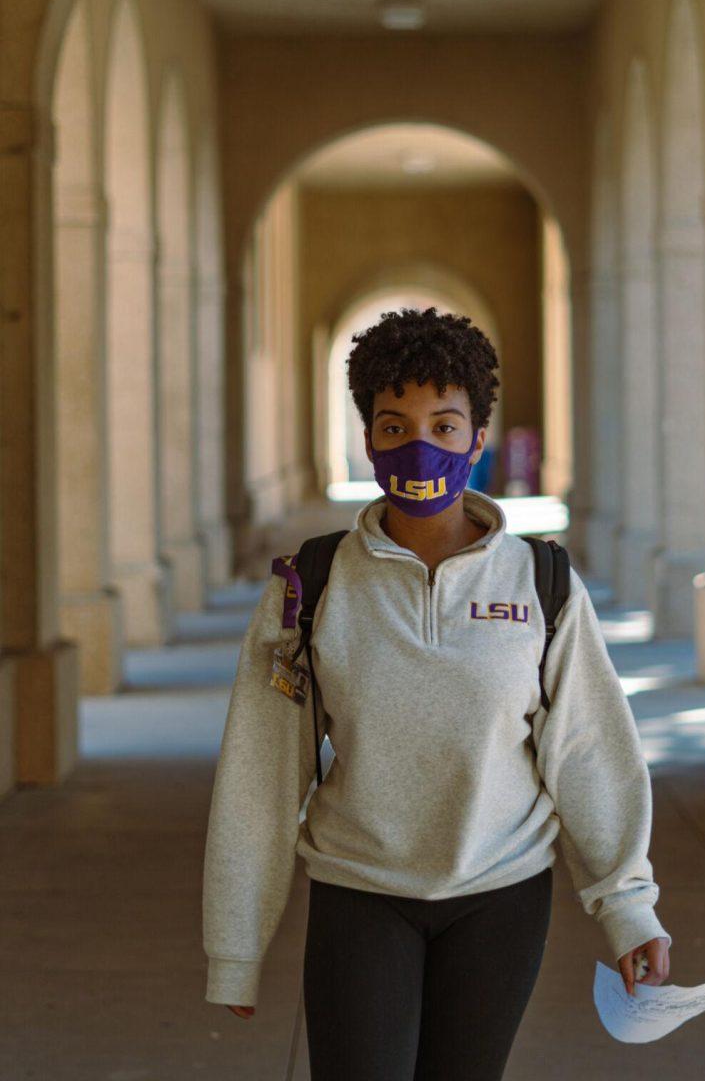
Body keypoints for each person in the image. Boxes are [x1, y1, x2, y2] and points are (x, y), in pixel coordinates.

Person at [202, 306, 672, 1080]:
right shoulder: (312, 585)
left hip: (501, 898)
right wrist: (236, 944)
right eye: (394, 426)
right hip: (362, 893)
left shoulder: (542, 584)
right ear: (369, 439)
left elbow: (589, 752)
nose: (419, 445)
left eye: (445, 425)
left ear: (478, 439)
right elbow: (260, 771)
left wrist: (627, 908)